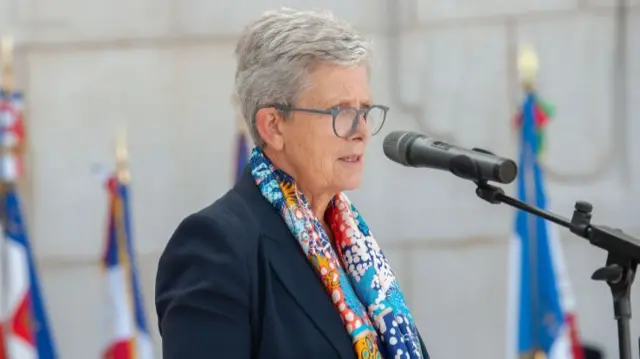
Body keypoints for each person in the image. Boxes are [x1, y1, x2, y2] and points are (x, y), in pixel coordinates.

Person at [155, 7, 430, 359]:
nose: (360, 131)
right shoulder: (216, 247)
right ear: (273, 126)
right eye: (340, 112)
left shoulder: (353, 245)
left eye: (364, 110)